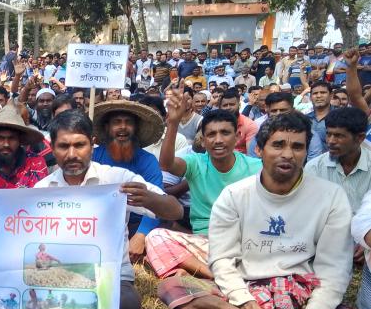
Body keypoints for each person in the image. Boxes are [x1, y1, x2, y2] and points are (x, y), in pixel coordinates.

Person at [158, 112, 371, 309]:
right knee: (172, 288)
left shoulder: (331, 197)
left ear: (307, 151)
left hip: (303, 296)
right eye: (278, 145)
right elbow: (223, 261)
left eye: (297, 146)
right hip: (247, 292)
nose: (288, 154)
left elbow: (335, 268)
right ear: (259, 149)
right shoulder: (235, 195)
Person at [36, 110, 182, 309]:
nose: (72, 154)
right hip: (59, 278)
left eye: (79, 145)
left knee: (125, 305)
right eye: (64, 146)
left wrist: (149, 198)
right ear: (53, 148)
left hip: (111, 278)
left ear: (92, 144)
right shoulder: (42, 190)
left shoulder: (117, 180)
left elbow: (176, 211)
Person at [147, 92, 263, 279]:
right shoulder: (196, 163)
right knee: (155, 237)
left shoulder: (256, 168)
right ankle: (215, 275)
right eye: (211, 134)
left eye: (225, 133)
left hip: (243, 245)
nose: (218, 140)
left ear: (237, 136)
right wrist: (173, 123)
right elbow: (166, 164)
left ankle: (214, 273)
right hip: (204, 244)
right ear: (204, 139)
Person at [91, 100, 166, 259]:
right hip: (98, 224)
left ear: (136, 128)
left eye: (128, 123)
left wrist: (141, 235)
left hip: (137, 225)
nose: (123, 127)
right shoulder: (93, 156)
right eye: (117, 122)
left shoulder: (148, 161)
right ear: (107, 128)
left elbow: (158, 201)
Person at [305, 107, 371, 212]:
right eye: (328, 134)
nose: (330, 141)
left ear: (360, 138)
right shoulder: (314, 168)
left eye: (339, 136)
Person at [218, 88, 258, 153]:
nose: (228, 108)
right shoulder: (214, 124)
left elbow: (251, 155)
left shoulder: (249, 125)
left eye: (232, 104)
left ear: (239, 105)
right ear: (220, 107)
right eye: (225, 105)